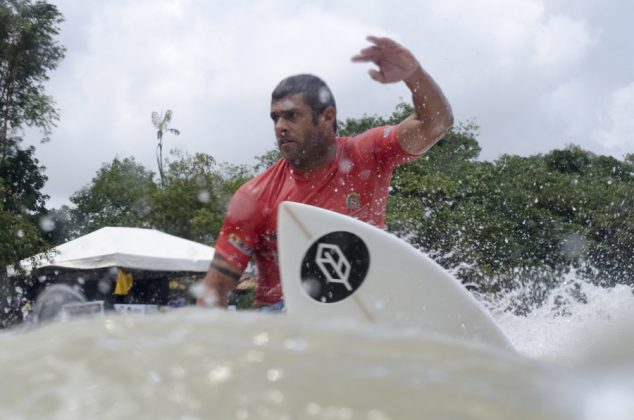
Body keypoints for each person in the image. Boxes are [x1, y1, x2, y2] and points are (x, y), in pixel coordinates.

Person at [199, 35, 453, 309]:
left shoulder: (367, 154)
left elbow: (436, 123)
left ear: (327, 117)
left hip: (362, 309)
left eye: (291, 116)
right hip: (283, 319)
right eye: (275, 118)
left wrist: (414, 74)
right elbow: (214, 291)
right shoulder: (254, 196)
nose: (280, 127)